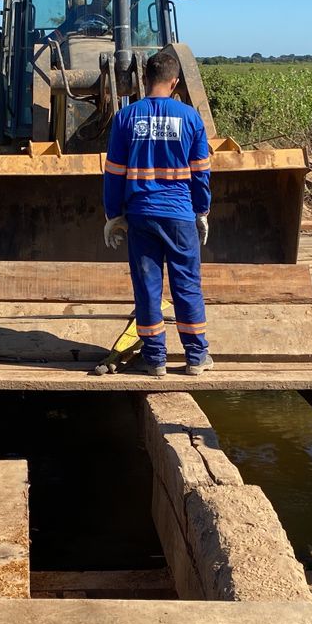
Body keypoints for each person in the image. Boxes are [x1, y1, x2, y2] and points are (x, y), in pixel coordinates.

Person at [102, 48, 212, 377]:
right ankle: (196, 358)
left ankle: (155, 359)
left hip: (141, 215)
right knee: (187, 285)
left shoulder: (125, 117)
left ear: (144, 79)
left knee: (148, 287)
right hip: (179, 216)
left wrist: (113, 214)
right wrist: (202, 210)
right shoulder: (191, 118)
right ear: (175, 81)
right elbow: (201, 172)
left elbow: (114, 172)